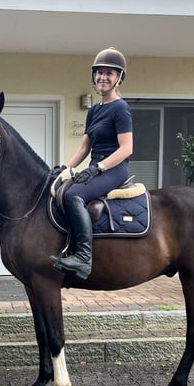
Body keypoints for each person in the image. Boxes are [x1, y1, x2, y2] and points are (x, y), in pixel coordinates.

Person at [50, 47, 133, 279]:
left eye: (109, 73)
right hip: (96, 166)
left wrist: (99, 167)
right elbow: (84, 147)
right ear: (93, 76)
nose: (103, 77)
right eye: (99, 72)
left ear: (118, 79)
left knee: (73, 195)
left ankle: (83, 257)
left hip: (114, 168)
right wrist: (65, 168)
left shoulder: (121, 109)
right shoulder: (94, 110)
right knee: (61, 188)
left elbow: (127, 148)